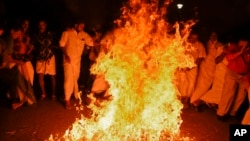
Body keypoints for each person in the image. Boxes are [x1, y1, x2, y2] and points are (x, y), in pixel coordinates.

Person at [59, 20, 94, 109]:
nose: (82, 27)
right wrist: (66, 55)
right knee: (68, 79)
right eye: (80, 26)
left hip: (77, 61)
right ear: (75, 25)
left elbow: (91, 43)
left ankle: (73, 95)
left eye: (83, 26)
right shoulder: (67, 33)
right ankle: (67, 100)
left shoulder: (84, 35)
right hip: (68, 60)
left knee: (75, 78)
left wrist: (103, 41)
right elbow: (62, 45)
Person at [216, 38, 250, 120]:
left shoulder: (248, 50)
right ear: (239, 41)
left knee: (241, 95)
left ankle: (232, 113)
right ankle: (221, 113)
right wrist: (239, 53)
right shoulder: (233, 47)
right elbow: (229, 57)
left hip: (243, 75)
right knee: (229, 93)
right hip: (232, 73)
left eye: (246, 43)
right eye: (242, 42)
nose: (243, 44)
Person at [190, 32, 224, 110]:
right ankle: (194, 100)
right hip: (204, 65)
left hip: (212, 67)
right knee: (200, 83)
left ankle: (198, 101)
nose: (213, 37)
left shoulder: (220, 44)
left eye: (215, 35)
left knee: (207, 85)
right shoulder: (206, 43)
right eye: (212, 35)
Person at [7, 26, 36, 109]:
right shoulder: (13, 42)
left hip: (25, 63)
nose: (20, 34)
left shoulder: (25, 42)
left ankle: (27, 100)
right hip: (20, 63)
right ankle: (23, 100)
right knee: (22, 83)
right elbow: (16, 55)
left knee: (28, 81)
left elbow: (25, 54)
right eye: (18, 33)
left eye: (21, 33)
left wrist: (29, 47)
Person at [178, 32, 206, 108]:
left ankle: (187, 100)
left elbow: (200, 58)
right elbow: (179, 54)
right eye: (193, 38)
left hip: (193, 67)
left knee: (191, 83)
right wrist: (182, 65)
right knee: (183, 82)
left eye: (196, 38)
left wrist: (191, 66)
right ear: (190, 36)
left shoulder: (200, 45)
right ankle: (181, 99)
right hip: (183, 66)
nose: (194, 40)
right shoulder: (184, 43)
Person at [32, 20, 57, 100]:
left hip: (50, 57)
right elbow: (33, 46)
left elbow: (56, 44)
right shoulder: (36, 35)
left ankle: (53, 94)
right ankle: (43, 94)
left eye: (42, 24)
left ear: (45, 25)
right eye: (40, 25)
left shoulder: (51, 34)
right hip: (40, 58)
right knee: (40, 76)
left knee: (52, 76)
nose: (41, 26)